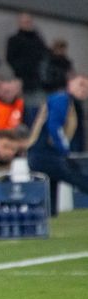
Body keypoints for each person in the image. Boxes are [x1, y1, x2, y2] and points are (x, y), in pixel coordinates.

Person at [27, 74, 88, 216]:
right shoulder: (62, 99)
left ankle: (48, 215)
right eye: (81, 84)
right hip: (44, 153)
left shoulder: (69, 102)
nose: (84, 89)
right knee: (78, 177)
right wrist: (64, 150)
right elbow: (54, 126)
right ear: (69, 83)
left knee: (50, 193)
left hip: (40, 153)